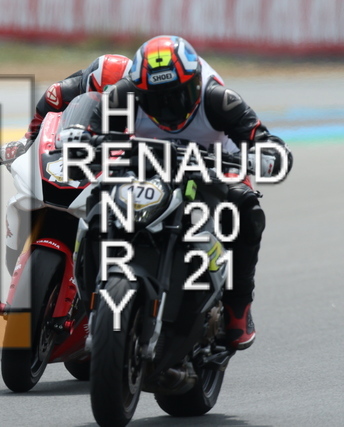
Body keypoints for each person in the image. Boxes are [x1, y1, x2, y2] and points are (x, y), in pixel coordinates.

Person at [92, 35, 293, 350]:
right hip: (147, 161)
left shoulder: (218, 99)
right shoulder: (123, 94)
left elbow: (266, 141)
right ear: (139, 92)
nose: (168, 108)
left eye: (177, 96)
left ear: (196, 84)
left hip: (214, 161)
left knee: (246, 209)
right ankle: (89, 291)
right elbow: (91, 133)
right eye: (156, 100)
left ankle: (237, 306)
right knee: (97, 195)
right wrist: (79, 142)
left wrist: (266, 156)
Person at [0, 54, 132, 274]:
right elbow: (36, 129)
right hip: (67, 154)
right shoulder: (60, 92)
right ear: (86, 84)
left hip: (110, 158)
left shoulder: (142, 103)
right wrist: (22, 146)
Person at [0, 54, 132, 167]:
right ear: (87, 82)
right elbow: (33, 134)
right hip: (66, 155)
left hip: (120, 159)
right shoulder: (58, 94)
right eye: (96, 94)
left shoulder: (140, 100)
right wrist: (20, 148)